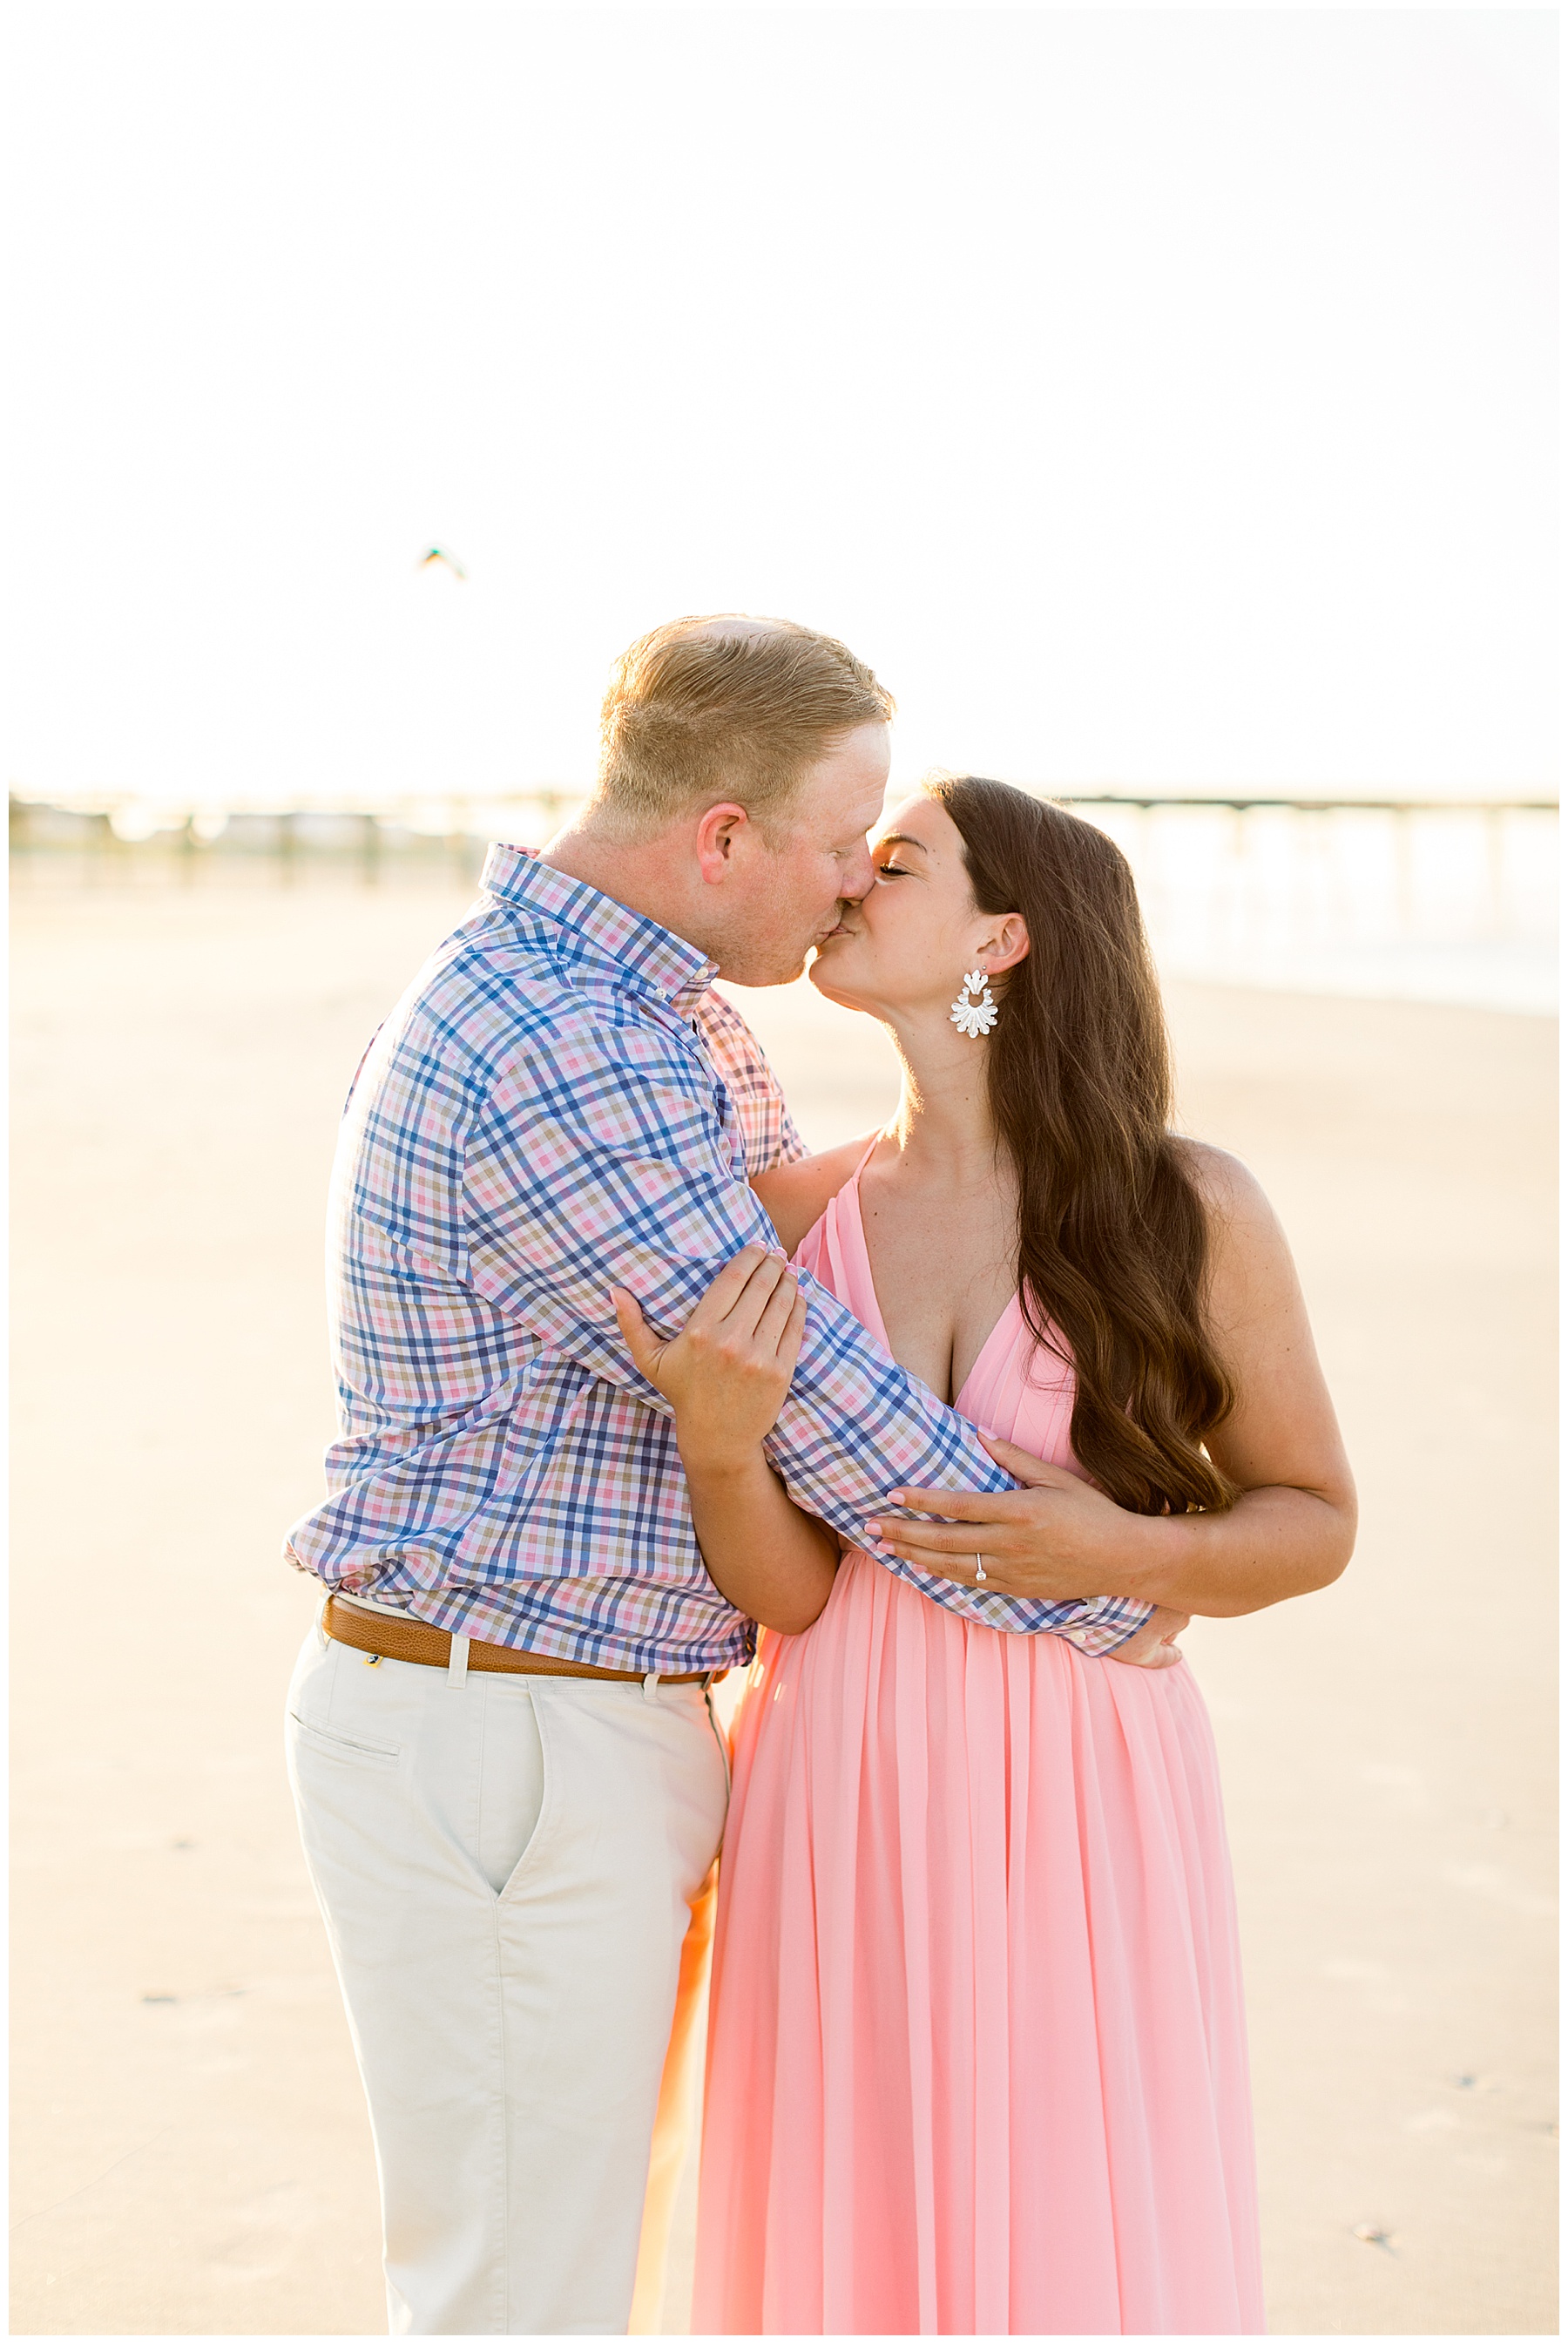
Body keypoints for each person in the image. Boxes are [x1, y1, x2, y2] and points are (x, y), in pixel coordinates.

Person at [281, 621, 1173, 2337]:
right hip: (508, 1745)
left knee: (576, 2256)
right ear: (722, 838)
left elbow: (779, 1246)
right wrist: (1106, 1578)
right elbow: (815, 1397)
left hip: (578, 1733)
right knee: (519, 2293)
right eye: (844, 845)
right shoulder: (562, 1036)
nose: (854, 886)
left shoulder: (653, 1013)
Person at [616, 776, 1357, 2335]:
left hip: (1083, 1786)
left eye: (896, 863)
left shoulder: (1183, 1208)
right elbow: (794, 1591)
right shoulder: (795, 1211)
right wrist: (720, 1441)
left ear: (1002, 939)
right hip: (837, 1767)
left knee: (1072, 2224)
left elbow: (1313, 1519)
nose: (847, 882)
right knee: (851, 2207)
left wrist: (1112, 1543)